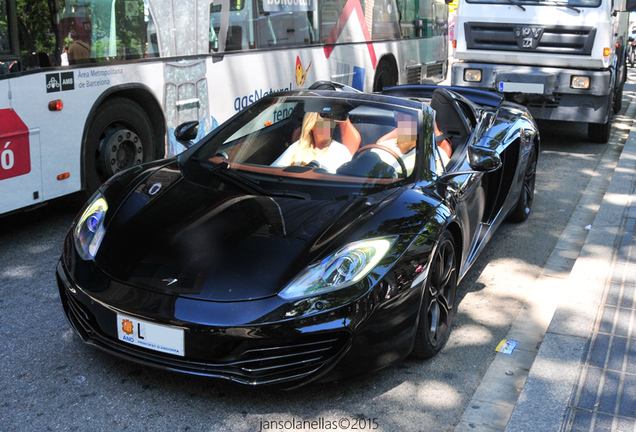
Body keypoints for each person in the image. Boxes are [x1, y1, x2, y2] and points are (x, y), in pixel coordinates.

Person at [271, 112, 352, 173]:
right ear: (311, 124)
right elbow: (274, 171)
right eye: (324, 118)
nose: (328, 123)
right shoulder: (297, 148)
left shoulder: (341, 151)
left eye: (331, 119)